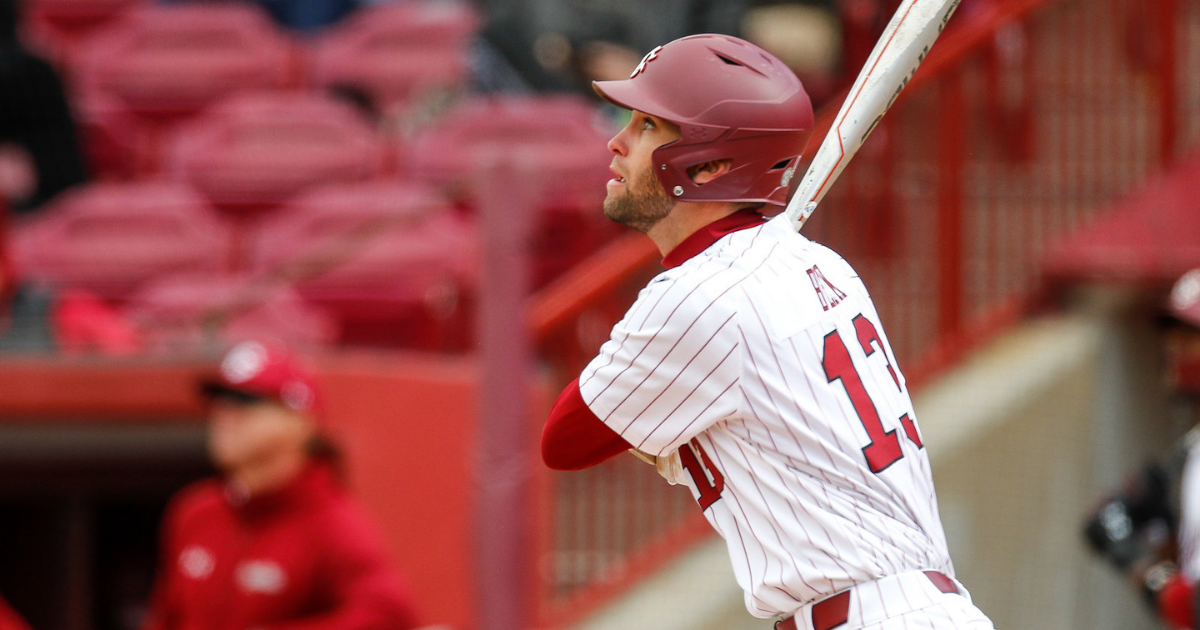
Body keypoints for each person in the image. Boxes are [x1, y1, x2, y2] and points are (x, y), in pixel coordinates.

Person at [540, 34, 995, 630]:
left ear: (711, 165)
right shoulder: (822, 264)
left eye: (648, 125)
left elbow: (564, 438)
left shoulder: (696, 296)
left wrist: (665, 441)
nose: (617, 141)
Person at [143, 340, 419, 630]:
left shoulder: (331, 523)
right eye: (221, 402)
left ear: (300, 422)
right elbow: (165, 619)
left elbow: (391, 617)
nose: (226, 416)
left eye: (246, 403)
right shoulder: (195, 512)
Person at [1084, 268, 1200, 630]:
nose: (1172, 350)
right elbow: (1102, 521)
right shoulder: (1188, 455)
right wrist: (1156, 577)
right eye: (1171, 336)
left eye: (1189, 336)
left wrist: (1180, 598)